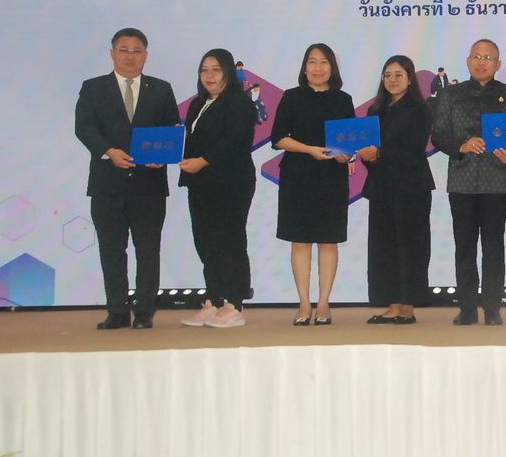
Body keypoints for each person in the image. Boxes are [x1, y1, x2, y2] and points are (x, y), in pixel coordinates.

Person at [74, 27, 179, 330]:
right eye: (124, 50)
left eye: (136, 51)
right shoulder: (93, 88)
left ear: (146, 55)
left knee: (148, 250)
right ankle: (117, 311)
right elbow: (84, 127)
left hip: (149, 185)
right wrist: (108, 151)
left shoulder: (161, 89)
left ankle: (145, 311)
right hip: (107, 184)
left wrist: (164, 156)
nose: (130, 56)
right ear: (112, 54)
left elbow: (172, 127)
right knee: (111, 249)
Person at [431, 39, 506, 326]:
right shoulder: (451, 94)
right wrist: (460, 145)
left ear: (498, 64)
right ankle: (467, 308)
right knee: (465, 246)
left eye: (488, 57)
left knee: (494, 246)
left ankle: (493, 308)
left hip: (497, 180)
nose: (481, 62)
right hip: (462, 180)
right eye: (477, 56)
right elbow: (438, 134)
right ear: (468, 61)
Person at [271, 44, 356, 326]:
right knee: (300, 240)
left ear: (332, 67)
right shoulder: (291, 97)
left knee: (328, 241)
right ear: (304, 67)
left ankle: (324, 303)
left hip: (331, 178)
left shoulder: (343, 100)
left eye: (324, 62)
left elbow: (350, 141)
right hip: (298, 176)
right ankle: (304, 303)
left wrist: (346, 155)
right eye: (312, 62)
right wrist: (309, 149)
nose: (318, 68)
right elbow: (278, 138)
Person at [177, 49, 257, 329]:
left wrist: (203, 160)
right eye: (204, 70)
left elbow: (235, 141)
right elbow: (190, 140)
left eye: (216, 70)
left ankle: (234, 303)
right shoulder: (197, 103)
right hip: (201, 184)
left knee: (230, 240)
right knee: (206, 241)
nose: (209, 75)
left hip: (231, 182)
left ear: (228, 72)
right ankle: (213, 299)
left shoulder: (239, 102)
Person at [358, 55, 434, 325]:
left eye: (398, 75)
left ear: (410, 78)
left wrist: (379, 153)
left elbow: (414, 148)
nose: (392, 80)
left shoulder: (421, 110)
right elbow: (367, 149)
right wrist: (367, 156)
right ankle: (392, 304)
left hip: (412, 187)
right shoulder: (375, 111)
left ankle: (408, 306)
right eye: (387, 75)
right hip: (382, 186)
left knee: (411, 245)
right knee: (384, 246)